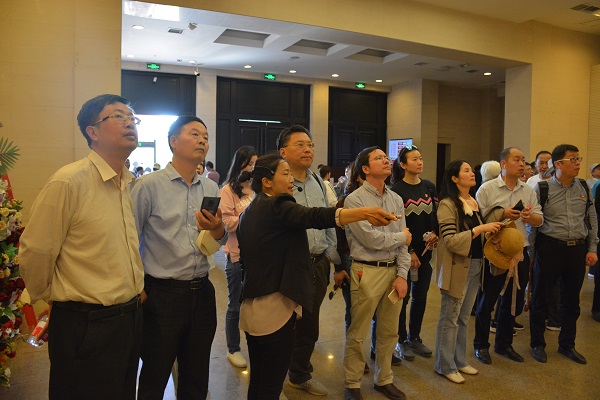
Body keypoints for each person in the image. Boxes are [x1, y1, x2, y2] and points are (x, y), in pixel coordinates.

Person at [237, 153, 396, 400]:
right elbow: (314, 216)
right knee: (270, 384)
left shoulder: (252, 208)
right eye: (285, 174)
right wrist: (363, 213)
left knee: (259, 378)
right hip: (273, 307)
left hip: (253, 305)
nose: (291, 179)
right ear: (267, 182)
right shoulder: (277, 205)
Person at [19, 94, 145, 400]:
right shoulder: (69, 181)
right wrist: (51, 297)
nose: (129, 122)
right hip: (86, 324)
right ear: (93, 131)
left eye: (132, 117)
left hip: (128, 320)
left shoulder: (124, 183)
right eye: (118, 116)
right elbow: (36, 251)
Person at [132, 116, 227, 399]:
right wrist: (138, 287)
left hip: (202, 291)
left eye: (205, 137)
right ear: (173, 141)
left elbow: (217, 239)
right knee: (155, 374)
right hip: (162, 294)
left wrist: (218, 228)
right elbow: (129, 239)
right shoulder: (148, 186)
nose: (202, 141)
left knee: (196, 375)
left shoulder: (210, 188)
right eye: (194, 134)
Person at [343, 146, 412, 400]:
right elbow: (369, 239)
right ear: (365, 168)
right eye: (379, 158)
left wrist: (402, 275)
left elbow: (404, 244)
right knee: (358, 332)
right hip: (367, 270)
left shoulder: (395, 199)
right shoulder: (355, 200)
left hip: (393, 271)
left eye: (386, 157)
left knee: (389, 331)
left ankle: (384, 379)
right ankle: (352, 383)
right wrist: (401, 237)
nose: (386, 160)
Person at [277, 125, 340, 396]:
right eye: (300, 145)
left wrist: (330, 257)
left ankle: (299, 374)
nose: (308, 149)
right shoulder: (276, 182)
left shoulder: (318, 182)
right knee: (281, 325)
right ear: (283, 152)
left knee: (309, 326)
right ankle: (273, 378)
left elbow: (328, 221)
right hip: (288, 266)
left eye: (310, 145)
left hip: (317, 263)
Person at [434, 160, 503, 384]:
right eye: (466, 170)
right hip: (457, 266)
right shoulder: (447, 204)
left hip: (475, 264)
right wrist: (480, 228)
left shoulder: (471, 201)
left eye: (471, 170)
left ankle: (460, 360)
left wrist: (492, 230)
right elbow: (451, 240)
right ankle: (444, 365)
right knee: (450, 318)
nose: (472, 173)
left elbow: (477, 235)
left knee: (463, 317)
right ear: (454, 178)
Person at [473, 147, 543, 365]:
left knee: (513, 300)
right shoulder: (487, 189)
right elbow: (478, 220)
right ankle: (481, 345)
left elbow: (540, 219)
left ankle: (504, 344)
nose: (522, 164)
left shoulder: (528, 189)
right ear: (504, 164)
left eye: (523, 160)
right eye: (517, 160)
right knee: (488, 300)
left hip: (519, 252)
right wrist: (502, 214)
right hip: (494, 252)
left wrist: (529, 217)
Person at [529, 144, 598, 364]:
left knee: (572, 301)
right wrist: (531, 254)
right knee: (540, 298)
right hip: (550, 247)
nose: (578, 163)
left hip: (577, 248)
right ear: (558, 164)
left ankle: (567, 344)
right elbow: (533, 225)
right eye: (573, 160)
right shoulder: (542, 188)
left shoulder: (584, 187)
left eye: (579, 159)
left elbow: (591, 219)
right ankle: (537, 344)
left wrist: (592, 248)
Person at [389, 145, 438, 362]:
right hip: (405, 253)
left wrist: (435, 234)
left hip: (426, 252)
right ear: (403, 164)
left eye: (420, 158)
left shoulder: (429, 187)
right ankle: (401, 340)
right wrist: (410, 251)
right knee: (404, 297)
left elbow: (435, 216)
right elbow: (398, 225)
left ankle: (415, 336)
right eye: (414, 159)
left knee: (422, 296)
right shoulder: (396, 190)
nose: (419, 162)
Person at [219, 145, 258, 368]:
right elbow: (227, 224)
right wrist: (250, 214)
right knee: (235, 305)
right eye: (249, 163)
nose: (253, 168)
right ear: (240, 164)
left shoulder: (257, 189)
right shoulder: (227, 191)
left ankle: (256, 344)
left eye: (255, 164)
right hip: (236, 257)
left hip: (258, 257)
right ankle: (233, 348)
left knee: (256, 305)